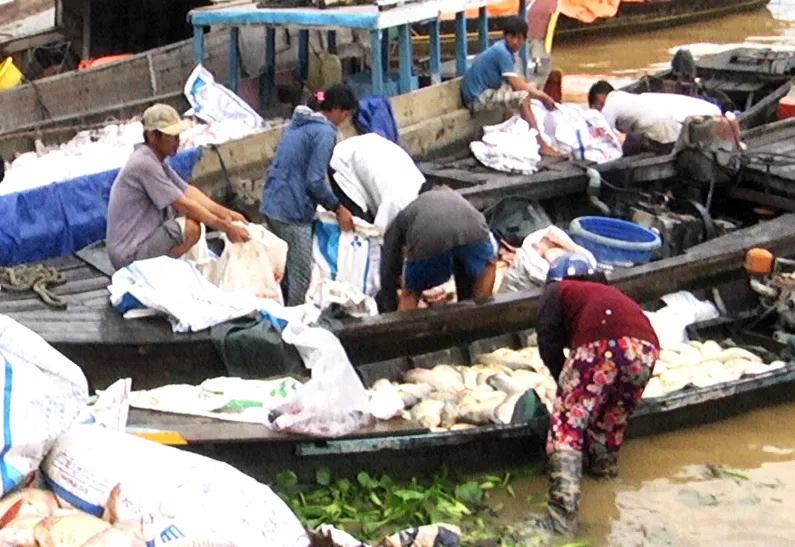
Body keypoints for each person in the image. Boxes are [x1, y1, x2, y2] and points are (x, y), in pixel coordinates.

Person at [527, 253, 659, 536]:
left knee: (566, 425)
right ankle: (604, 481)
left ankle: (561, 520)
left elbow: (547, 339)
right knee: (610, 421)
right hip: (646, 348)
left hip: (601, 342)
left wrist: (564, 382)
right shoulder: (607, 293)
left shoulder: (556, 290)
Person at [106, 104, 250, 271]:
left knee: (194, 224)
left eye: (177, 136)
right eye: (171, 137)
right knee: (191, 228)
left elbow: (188, 192)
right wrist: (226, 227)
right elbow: (184, 204)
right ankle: (160, 272)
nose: (177, 141)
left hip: (141, 241)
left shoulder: (157, 160)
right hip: (129, 254)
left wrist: (228, 214)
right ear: (153, 136)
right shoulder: (144, 164)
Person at [260, 84, 358, 306]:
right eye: (344, 113)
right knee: (301, 273)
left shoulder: (299, 124)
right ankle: (296, 322)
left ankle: (280, 312)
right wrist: (338, 208)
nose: (344, 118)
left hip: (271, 203)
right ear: (334, 109)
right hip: (290, 212)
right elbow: (314, 181)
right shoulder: (325, 132)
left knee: (282, 268)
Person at [378, 185, 497, 312]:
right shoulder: (456, 199)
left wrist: (388, 307)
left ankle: (401, 329)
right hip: (474, 230)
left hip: (430, 235)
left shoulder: (406, 214)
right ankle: (480, 317)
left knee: (411, 293)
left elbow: (388, 269)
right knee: (488, 266)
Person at [461, 16, 560, 156]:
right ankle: (541, 144)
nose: (515, 42)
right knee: (523, 96)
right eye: (512, 37)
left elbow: (516, 80)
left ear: (524, 40)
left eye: (519, 38)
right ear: (505, 36)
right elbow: (516, 85)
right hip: (476, 98)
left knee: (524, 83)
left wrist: (532, 90)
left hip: (483, 91)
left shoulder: (504, 50)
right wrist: (543, 96)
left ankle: (519, 129)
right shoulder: (501, 52)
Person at [588, 80, 723, 156]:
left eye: (595, 107)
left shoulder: (611, 103)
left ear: (600, 98)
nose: (597, 112)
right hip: (672, 124)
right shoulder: (627, 98)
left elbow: (601, 133)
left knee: (628, 146)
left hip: (664, 132)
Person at [328, 133, 425, 232]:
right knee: (362, 228)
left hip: (369, 153)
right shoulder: (396, 204)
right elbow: (380, 234)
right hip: (344, 164)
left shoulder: (421, 187)